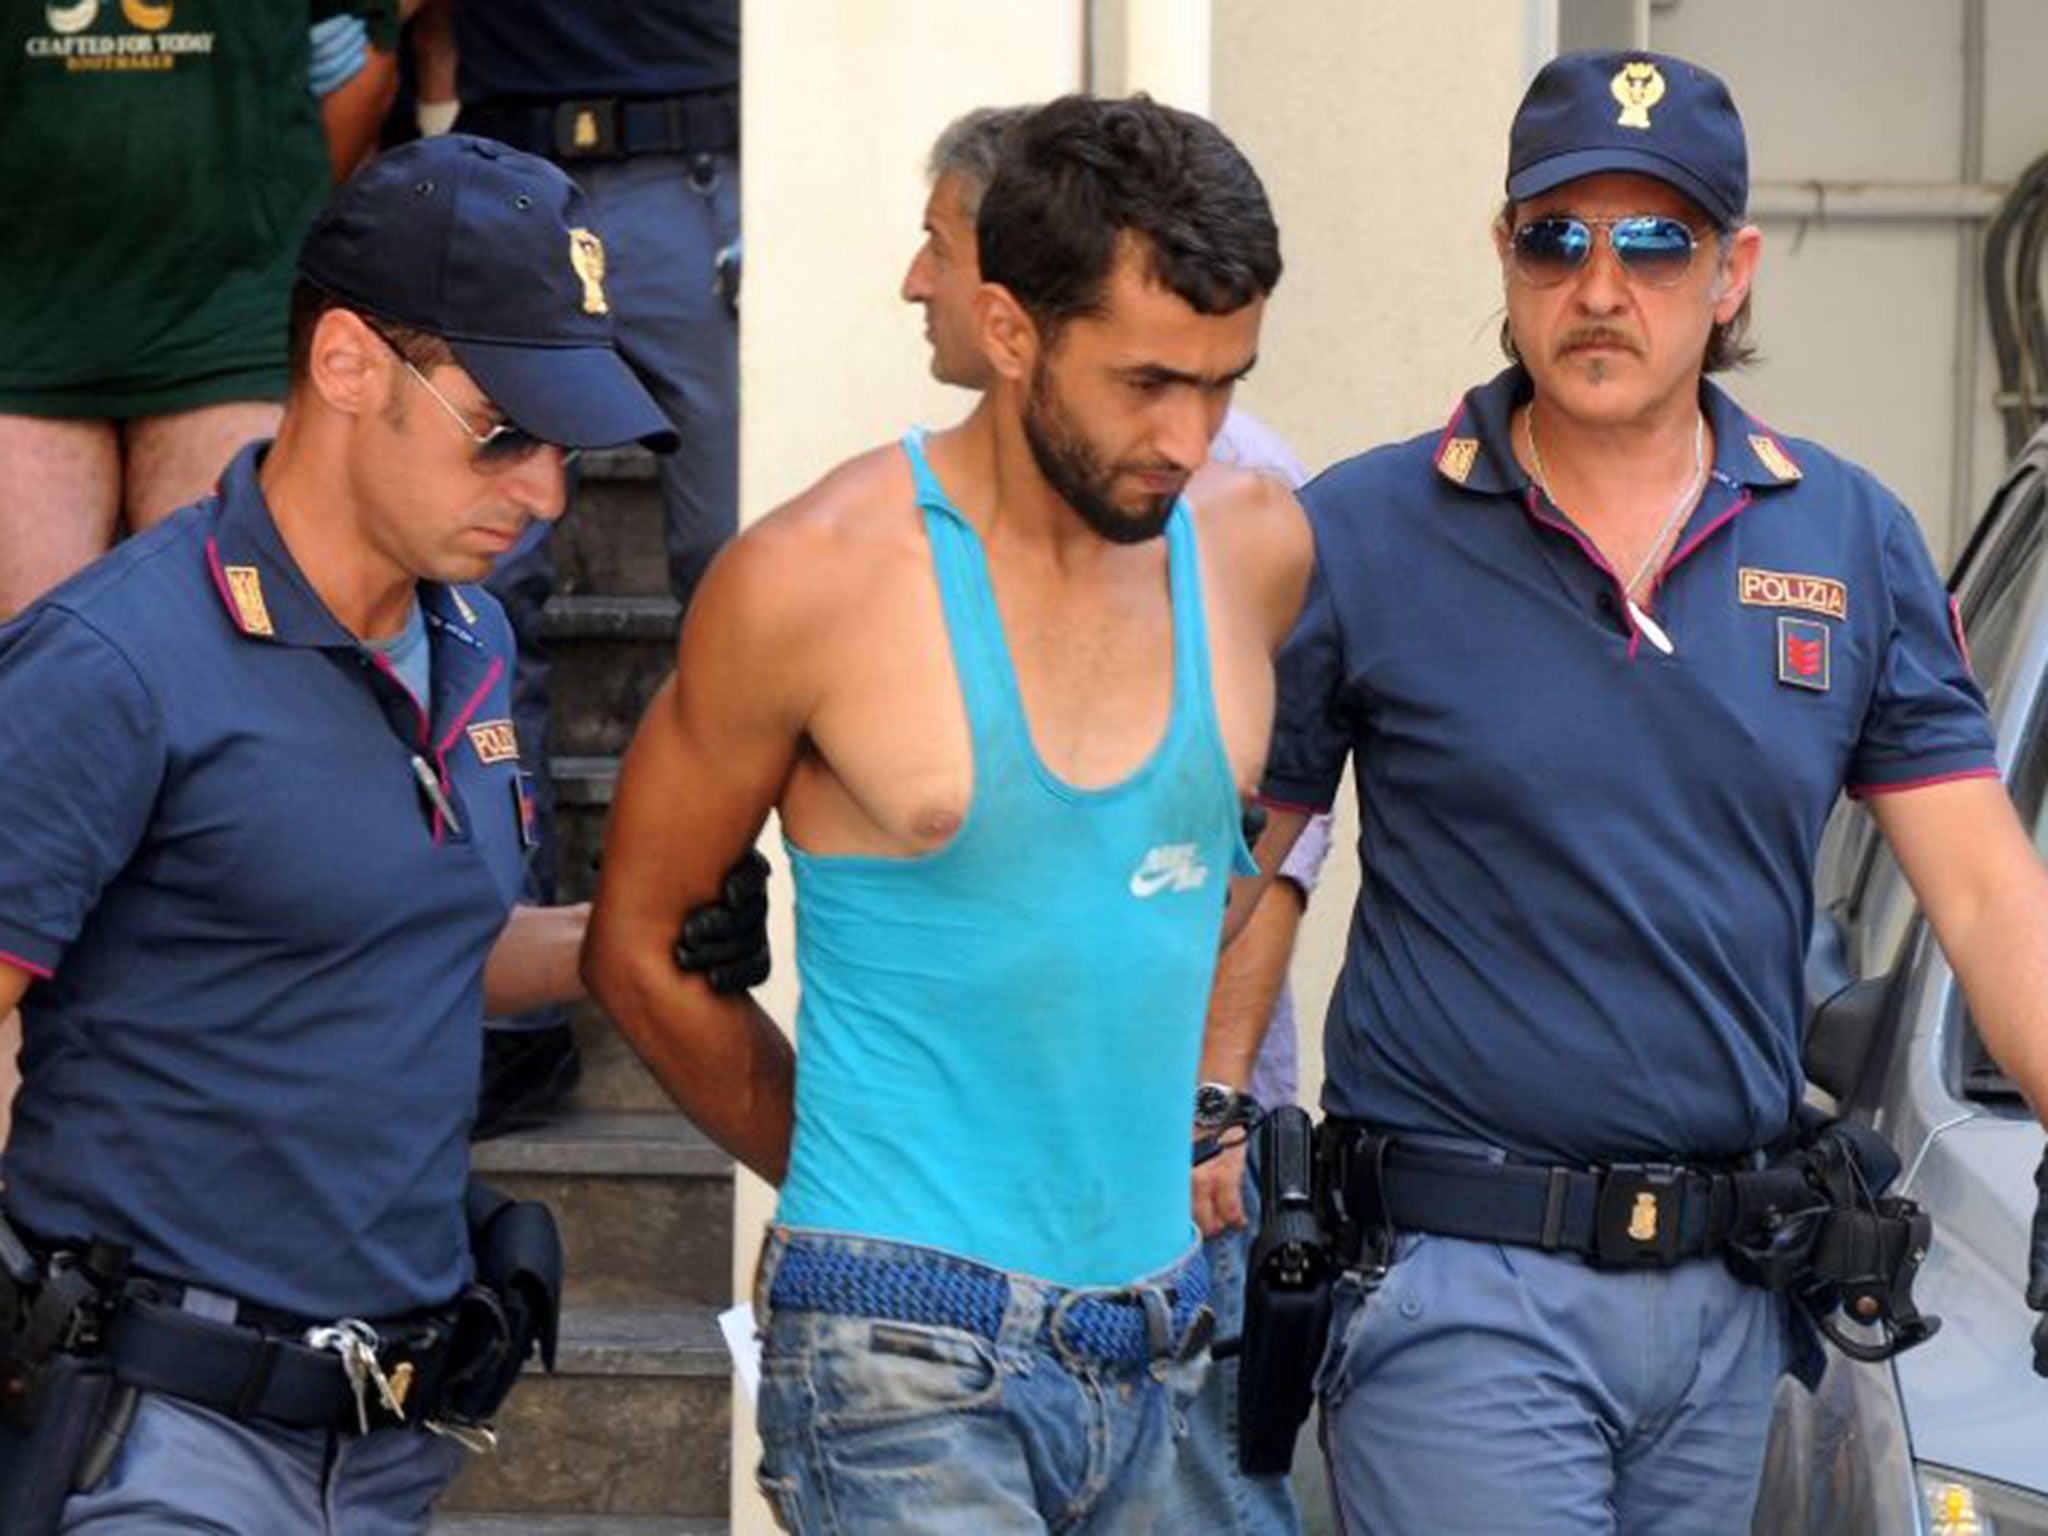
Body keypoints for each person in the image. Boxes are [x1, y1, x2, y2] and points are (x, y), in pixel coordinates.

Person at [1232, 50, 2048, 1535]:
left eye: (1657, 242)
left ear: (1732, 273)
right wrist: (1199, 1125)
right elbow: (1240, 871)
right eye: (1560, 237)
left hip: (1734, 1306)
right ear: (1506, 253)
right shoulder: (1357, 531)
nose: (1602, 286)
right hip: (1463, 1286)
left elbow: (1990, 892)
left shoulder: (1850, 536)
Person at [585, 93, 1311, 1533]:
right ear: (1010, 329)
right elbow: (641, 943)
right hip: (902, 1342)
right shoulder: (811, 577)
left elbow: (1192, 873)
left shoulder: (1253, 551)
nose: (1190, 436)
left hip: (1168, 1328)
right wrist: (859, 1181)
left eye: (1225, 385)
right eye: (1149, 382)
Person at [0, 135, 685, 1533]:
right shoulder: (111, 662)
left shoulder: (476, 632)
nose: (546, 492)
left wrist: (632, 933)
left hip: (389, 1449)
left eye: (565, 442)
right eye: (505, 427)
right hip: (156, 1441)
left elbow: (405, 938)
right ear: (350, 365)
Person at [904, 102, 1330, 1536]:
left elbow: (1280, 850)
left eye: (944, 245)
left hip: (1173, 1193)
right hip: (991, 1229)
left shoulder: (1214, 497)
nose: (923, 283)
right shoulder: (935, 518)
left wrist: (1207, 1110)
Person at [404, 0, 743, 1135]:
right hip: (503, 172)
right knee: (474, 604)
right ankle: (510, 1019)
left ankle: (733, 971)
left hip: (694, 167)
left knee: (743, 586)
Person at [0, 3, 405, 621]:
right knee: (28, 675)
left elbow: (359, 63)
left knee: (231, 644)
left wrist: (273, 223)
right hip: (21, 332)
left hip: (229, 327)